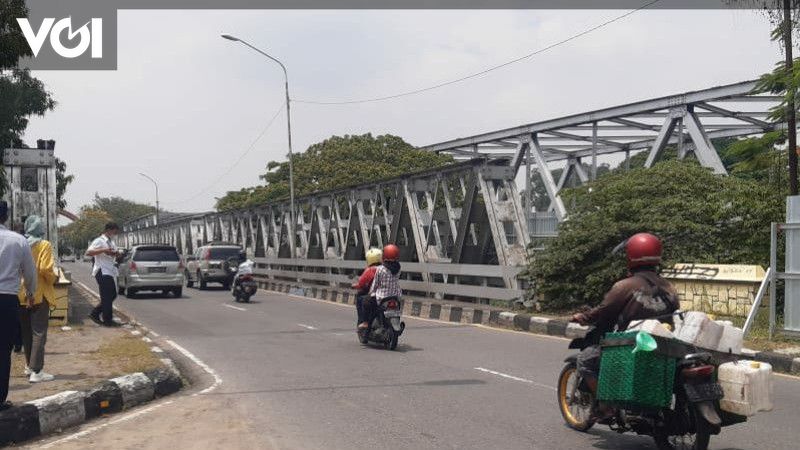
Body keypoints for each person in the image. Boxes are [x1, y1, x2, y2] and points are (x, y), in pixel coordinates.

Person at [571, 233, 679, 400]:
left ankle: (606, 405)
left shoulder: (624, 285)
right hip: (664, 344)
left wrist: (583, 317)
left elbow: (603, 311)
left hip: (629, 344)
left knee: (585, 361)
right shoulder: (668, 286)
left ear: (631, 256)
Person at [0, 201, 37, 410]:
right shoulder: (18, 240)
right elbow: (29, 273)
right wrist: (30, 293)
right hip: (6, 299)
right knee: (3, 350)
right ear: (6, 217)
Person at [17, 215, 57, 383]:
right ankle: (37, 371)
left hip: (20, 293)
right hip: (38, 293)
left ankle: (28, 366)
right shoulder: (44, 245)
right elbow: (45, 268)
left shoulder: (20, 243)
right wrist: (54, 278)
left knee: (26, 333)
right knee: (39, 332)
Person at [85, 222, 122, 327]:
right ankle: (107, 320)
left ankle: (95, 313)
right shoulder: (99, 241)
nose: (115, 234)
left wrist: (116, 254)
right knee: (107, 296)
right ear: (109, 230)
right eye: (114, 231)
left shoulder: (111, 241)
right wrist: (104, 250)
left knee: (112, 295)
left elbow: (112, 253)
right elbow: (89, 252)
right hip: (101, 271)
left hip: (109, 270)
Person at [362, 244, 402, 329]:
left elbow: (375, 283)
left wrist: (370, 292)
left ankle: (366, 323)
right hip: (396, 295)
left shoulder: (380, 269)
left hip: (382, 296)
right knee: (397, 308)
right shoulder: (398, 268)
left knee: (366, 302)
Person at [353, 248, 382, 329]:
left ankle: (363, 321)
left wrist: (354, 286)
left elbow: (361, 284)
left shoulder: (369, 270)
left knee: (361, 299)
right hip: (386, 294)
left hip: (374, 295)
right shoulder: (385, 269)